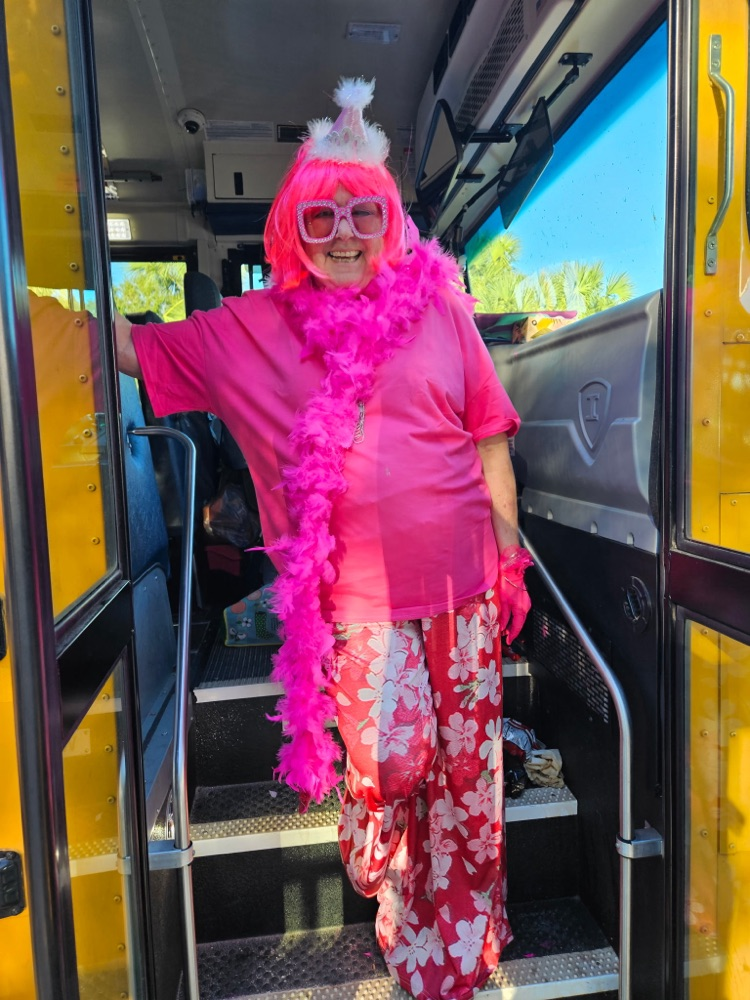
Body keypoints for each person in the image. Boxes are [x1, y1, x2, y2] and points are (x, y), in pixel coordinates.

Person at [115, 78, 533, 1000]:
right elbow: (127, 349)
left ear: (388, 223)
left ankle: (458, 945)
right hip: (360, 606)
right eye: (322, 217)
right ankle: (375, 837)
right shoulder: (247, 331)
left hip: (465, 587)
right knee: (393, 761)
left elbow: (490, 435)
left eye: (362, 214)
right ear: (292, 232)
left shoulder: (442, 311)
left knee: (469, 780)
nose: (345, 234)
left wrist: (510, 560)